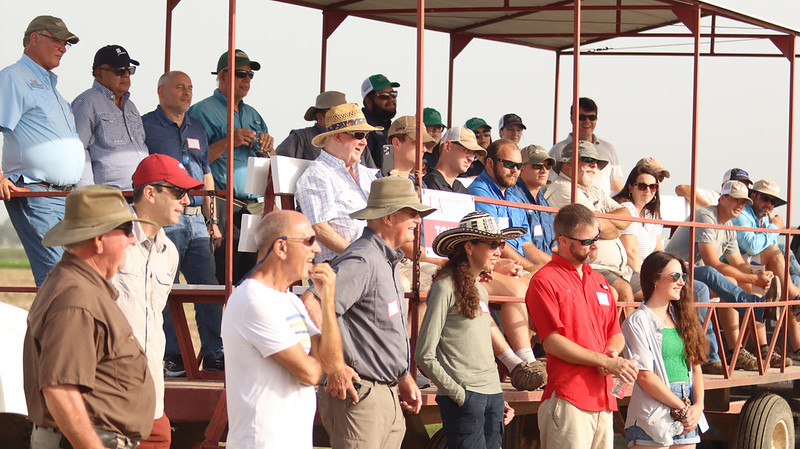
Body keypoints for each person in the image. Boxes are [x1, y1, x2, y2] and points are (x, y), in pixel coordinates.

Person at [303, 176, 434, 449]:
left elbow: (378, 331)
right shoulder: (363, 258)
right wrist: (335, 365)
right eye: (411, 212)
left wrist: (403, 377)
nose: (417, 220)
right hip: (361, 397)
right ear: (387, 217)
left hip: (382, 395)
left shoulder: (384, 260)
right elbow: (311, 302)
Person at [23, 185, 155, 449]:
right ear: (99, 239)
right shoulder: (77, 299)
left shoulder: (78, 288)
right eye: (126, 230)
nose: (132, 239)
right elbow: (60, 390)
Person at [222, 210, 344, 448]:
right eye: (309, 240)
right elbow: (310, 374)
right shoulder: (253, 299)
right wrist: (316, 358)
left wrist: (327, 301)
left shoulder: (289, 300)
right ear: (281, 248)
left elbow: (333, 363)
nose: (317, 249)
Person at [526, 203, 639, 448]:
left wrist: (611, 352)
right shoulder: (544, 281)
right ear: (564, 242)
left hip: (602, 399)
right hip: (568, 398)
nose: (595, 245)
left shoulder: (599, 281)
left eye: (597, 238)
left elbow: (615, 332)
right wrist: (606, 362)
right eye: (588, 241)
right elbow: (552, 342)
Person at [111, 154, 200, 448]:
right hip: (110, 397)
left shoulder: (169, 252)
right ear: (150, 193)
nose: (186, 201)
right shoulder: (109, 242)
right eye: (178, 192)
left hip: (152, 398)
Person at [416, 211, 526, 449]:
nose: (499, 251)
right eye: (492, 244)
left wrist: (496, 396)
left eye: (501, 244)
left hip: (490, 397)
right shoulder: (444, 287)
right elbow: (424, 355)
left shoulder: (481, 290)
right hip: (466, 398)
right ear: (469, 246)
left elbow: (481, 350)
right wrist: (460, 395)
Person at [142, 71, 224, 376]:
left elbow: (206, 174)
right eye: (180, 87)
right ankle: (174, 357)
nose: (186, 93)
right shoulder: (145, 125)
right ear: (161, 90)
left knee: (209, 289)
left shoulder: (197, 127)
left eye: (190, 87)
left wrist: (212, 220)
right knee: (165, 287)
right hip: (166, 220)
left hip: (197, 221)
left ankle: (215, 354)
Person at [0, 15, 83, 286]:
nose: (62, 47)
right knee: (60, 281)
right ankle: (54, 330)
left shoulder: (54, 89)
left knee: (71, 279)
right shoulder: (14, 77)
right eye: (57, 40)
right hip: (35, 192)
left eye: (65, 43)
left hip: (64, 197)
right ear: (34, 38)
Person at [665, 180, 785, 370]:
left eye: (744, 202)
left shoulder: (727, 225)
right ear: (722, 198)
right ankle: (752, 311)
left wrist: (760, 275)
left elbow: (738, 263)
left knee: (725, 280)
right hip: (672, 273)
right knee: (710, 278)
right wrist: (753, 279)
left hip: (691, 274)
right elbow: (712, 262)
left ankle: (733, 352)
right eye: (736, 200)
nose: (740, 205)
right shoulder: (706, 216)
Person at [188, 49, 273, 284]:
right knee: (223, 277)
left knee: (250, 278)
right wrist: (230, 141)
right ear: (223, 76)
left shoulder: (253, 114)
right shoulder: (203, 111)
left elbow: (270, 159)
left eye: (250, 76)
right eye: (241, 74)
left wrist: (267, 148)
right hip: (223, 204)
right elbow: (195, 162)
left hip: (253, 207)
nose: (247, 80)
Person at [622, 252, 709, 448]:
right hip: (653, 410)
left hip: (686, 408)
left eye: (683, 277)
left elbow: (696, 367)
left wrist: (698, 406)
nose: (681, 282)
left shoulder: (683, 318)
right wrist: (683, 407)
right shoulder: (637, 321)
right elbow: (644, 376)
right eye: (674, 276)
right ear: (655, 279)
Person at [544, 141, 636, 301]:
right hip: (590, 265)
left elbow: (629, 214)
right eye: (587, 159)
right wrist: (615, 227)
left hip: (620, 269)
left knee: (659, 285)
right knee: (623, 291)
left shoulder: (594, 189)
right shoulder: (564, 189)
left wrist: (604, 219)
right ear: (567, 164)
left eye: (597, 162)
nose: (594, 165)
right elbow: (599, 229)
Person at [295, 103, 381, 263]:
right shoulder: (317, 174)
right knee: (407, 282)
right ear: (337, 136)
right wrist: (360, 255)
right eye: (359, 135)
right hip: (342, 263)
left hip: (375, 259)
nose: (364, 142)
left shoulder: (366, 173)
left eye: (366, 136)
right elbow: (318, 228)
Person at [730, 179, 800, 362]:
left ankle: (796, 348)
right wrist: (774, 228)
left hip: (751, 268)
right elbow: (752, 247)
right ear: (752, 197)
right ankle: (794, 299)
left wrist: (771, 228)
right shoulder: (741, 214)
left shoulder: (761, 220)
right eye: (765, 198)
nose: (769, 204)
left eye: (773, 201)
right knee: (786, 290)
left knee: (786, 291)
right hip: (733, 267)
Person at [73, 45, 149, 189]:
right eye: (119, 71)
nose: (126, 75)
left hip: (140, 195)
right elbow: (78, 150)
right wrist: (87, 192)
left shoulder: (131, 107)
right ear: (99, 73)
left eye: (129, 70)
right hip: (109, 198)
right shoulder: (86, 102)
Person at [276, 90, 375, 166]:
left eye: (343, 114)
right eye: (333, 114)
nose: (363, 141)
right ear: (319, 117)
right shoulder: (300, 138)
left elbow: (373, 175)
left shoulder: (358, 140)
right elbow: (278, 168)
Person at [548, 97, 623, 194]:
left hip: (604, 206)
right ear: (572, 119)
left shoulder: (609, 149)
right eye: (582, 117)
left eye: (592, 118)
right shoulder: (558, 150)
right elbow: (549, 183)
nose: (587, 121)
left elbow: (616, 185)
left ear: (597, 119)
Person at [613, 164, 664, 276]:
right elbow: (630, 253)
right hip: (629, 272)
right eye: (642, 186)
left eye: (652, 186)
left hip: (649, 272)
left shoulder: (651, 213)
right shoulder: (627, 209)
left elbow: (658, 251)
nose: (648, 190)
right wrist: (648, 281)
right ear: (630, 187)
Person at [510, 144, 556, 262]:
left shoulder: (543, 202)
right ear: (521, 168)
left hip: (547, 263)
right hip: (527, 266)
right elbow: (525, 247)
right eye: (537, 165)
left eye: (547, 166)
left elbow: (554, 246)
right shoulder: (513, 198)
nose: (544, 170)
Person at [423, 126, 486, 193]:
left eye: (474, 154)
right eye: (467, 150)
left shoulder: (461, 189)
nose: (471, 159)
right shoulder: (428, 184)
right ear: (447, 146)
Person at [361, 74, 400, 168]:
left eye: (393, 94)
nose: (391, 99)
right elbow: (363, 167)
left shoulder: (391, 127)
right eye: (384, 96)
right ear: (368, 101)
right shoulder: (362, 127)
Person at [674, 168, 752, 208]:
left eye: (745, 186)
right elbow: (681, 189)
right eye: (737, 184)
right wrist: (711, 211)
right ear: (724, 186)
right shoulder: (714, 196)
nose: (741, 189)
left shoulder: (747, 205)